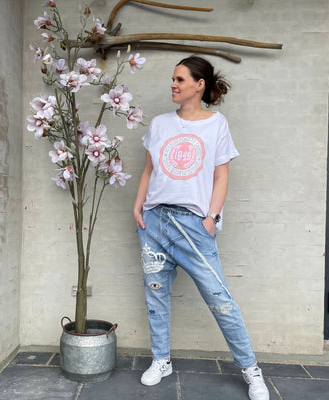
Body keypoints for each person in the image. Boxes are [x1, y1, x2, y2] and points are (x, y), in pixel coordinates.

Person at [133, 55, 269, 400]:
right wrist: (138, 207)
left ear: (199, 85)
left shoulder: (216, 124)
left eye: (180, 79)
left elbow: (221, 176)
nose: (173, 85)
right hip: (154, 222)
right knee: (156, 296)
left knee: (220, 299)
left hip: (193, 225)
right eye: (172, 79)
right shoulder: (160, 124)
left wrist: (212, 218)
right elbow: (149, 170)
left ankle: (251, 370)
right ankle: (161, 360)